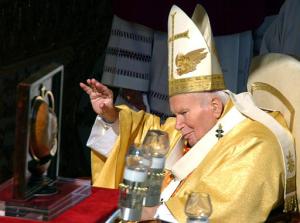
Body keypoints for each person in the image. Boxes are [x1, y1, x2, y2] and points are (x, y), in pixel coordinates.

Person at [80, 4, 297, 223]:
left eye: (183, 113)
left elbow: (218, 210)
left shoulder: (255, 145)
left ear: (215, 106)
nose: (176, 124)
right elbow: (149, 129)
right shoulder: (207, 125)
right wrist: (112, 116)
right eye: (176, 114)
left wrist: (153, 212)